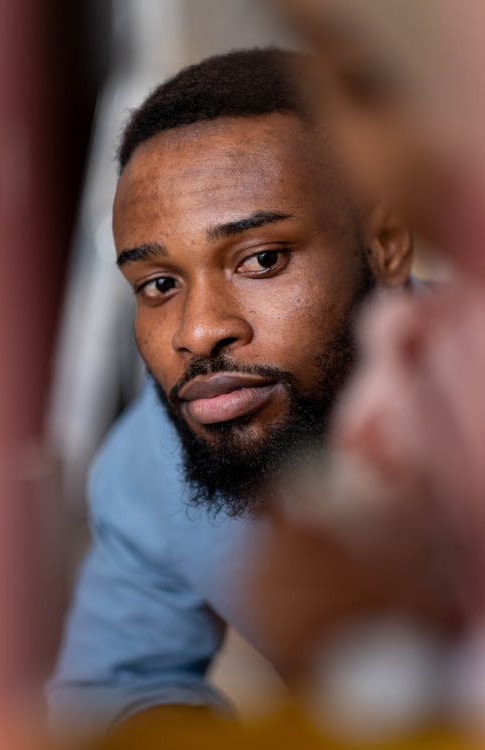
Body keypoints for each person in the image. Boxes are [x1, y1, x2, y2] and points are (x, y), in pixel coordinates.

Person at [48, 48, 414, 739]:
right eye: (158, 284)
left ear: (386, 243)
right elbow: (120, 690)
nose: (199, 330)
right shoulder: (147, 463)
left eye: (262, 259)